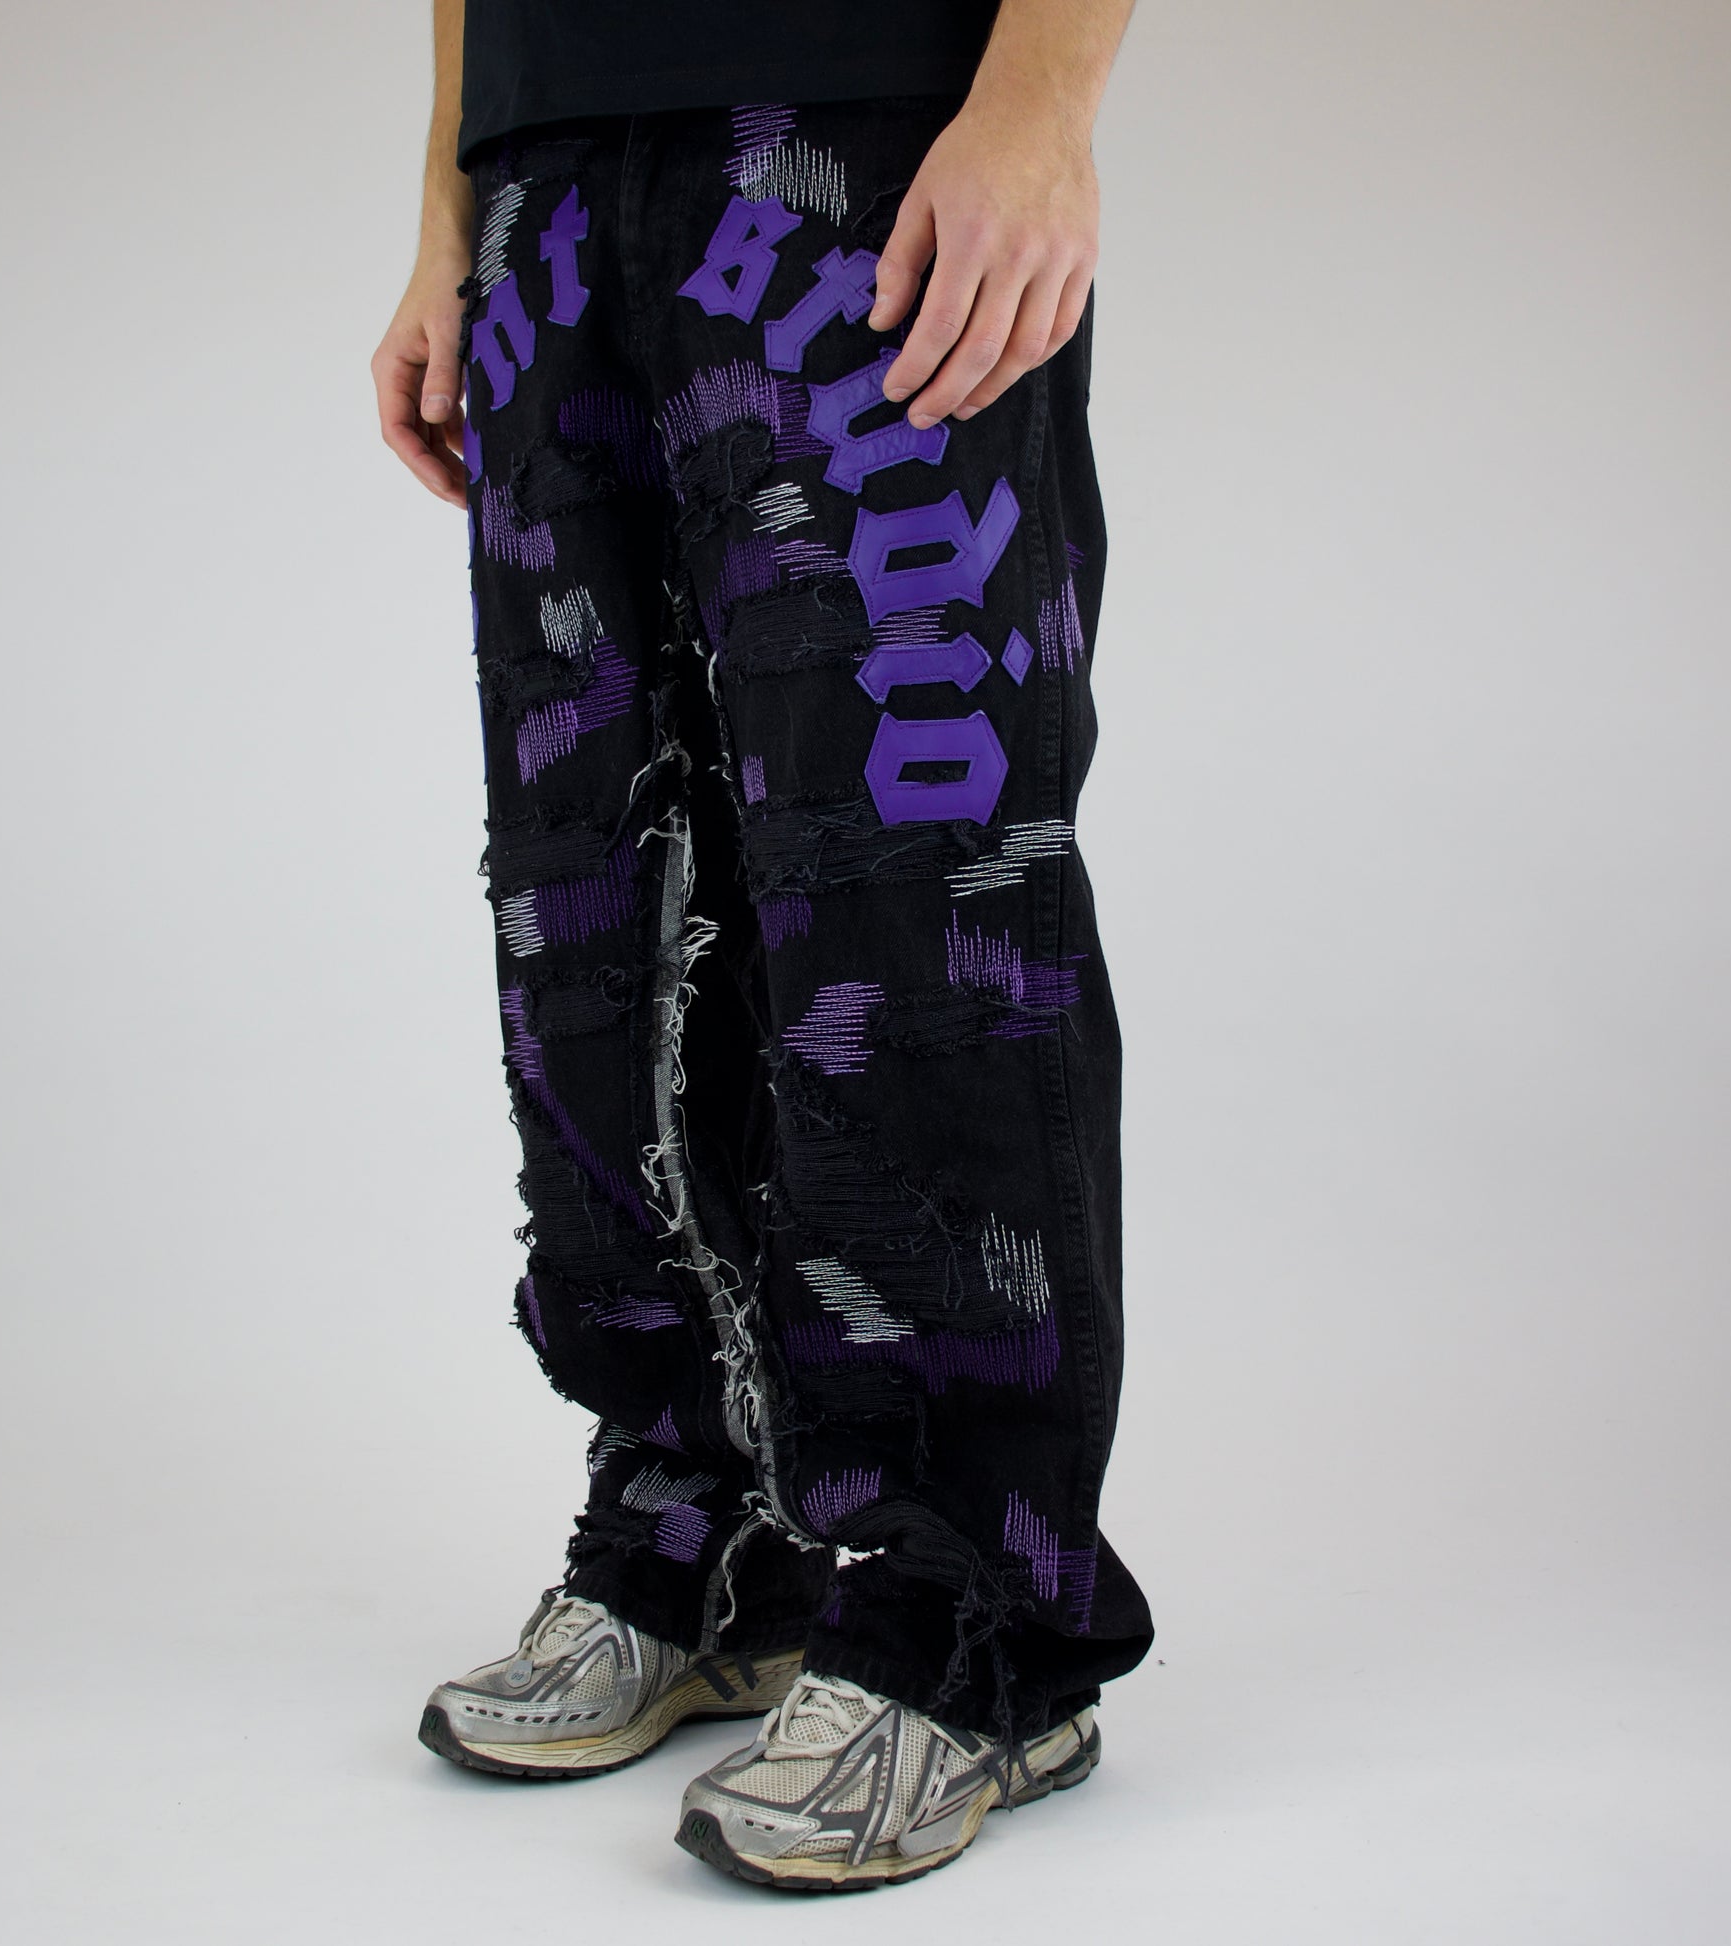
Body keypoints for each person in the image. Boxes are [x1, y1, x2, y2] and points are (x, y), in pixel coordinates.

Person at [372, 0, 1150, 1891]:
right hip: (552, 185)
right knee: (591, 889)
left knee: (914, 882)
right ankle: (707, 1523)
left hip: (867, 137)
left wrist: (1038, 103)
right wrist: (448, 205)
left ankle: (979, 1609)